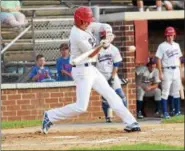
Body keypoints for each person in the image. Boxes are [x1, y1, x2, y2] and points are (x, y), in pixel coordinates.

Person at [41, 6, 141, 134]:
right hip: (82, 71)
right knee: (81, 107)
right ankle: (50, 116)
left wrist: (108, 33)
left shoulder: (86, 26)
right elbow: (92, 54)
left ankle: (130, 122)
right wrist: (103, 45)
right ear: (80, 21)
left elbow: (102, 26)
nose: (89, 22)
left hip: (92, 69)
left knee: (111, 94)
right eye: (86, 20)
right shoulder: (77, 35)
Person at [96, 24, 128, 123]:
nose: (104, 38)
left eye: (106, 36)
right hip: (101, 75)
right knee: (105, 96)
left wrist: (113, 77)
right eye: (103, 36)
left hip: (111, 74)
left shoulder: (114, 49)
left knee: (120, 95)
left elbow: (116, 64)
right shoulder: (96, 49)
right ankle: (108, 117)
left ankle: (125, 115)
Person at [155, 26, 182, 119]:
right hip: (167, 69)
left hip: (176, 69)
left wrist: (180, 71)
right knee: (165, 92)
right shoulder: (162, 46)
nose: (170, 37)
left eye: (171, 35)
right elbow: (158, 59)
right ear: (165, 36)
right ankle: (165, 112)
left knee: (176, 92)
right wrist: (160, 72)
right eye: (168, 36)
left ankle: (177, 111)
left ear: (174, 35)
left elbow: (179, 58)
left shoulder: (177, 45)